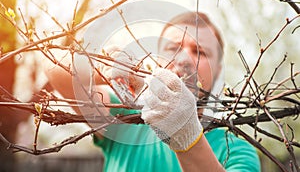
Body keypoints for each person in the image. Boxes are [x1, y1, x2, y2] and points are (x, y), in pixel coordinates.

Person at [45, 11, 261, 172]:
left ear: (218, 71)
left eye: (200, 52)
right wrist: (102, 68)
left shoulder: (237, 151)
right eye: (173, 48)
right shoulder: (124, 118)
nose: (184, 58)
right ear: (157, 59)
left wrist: (187, 136)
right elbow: (54, 68)